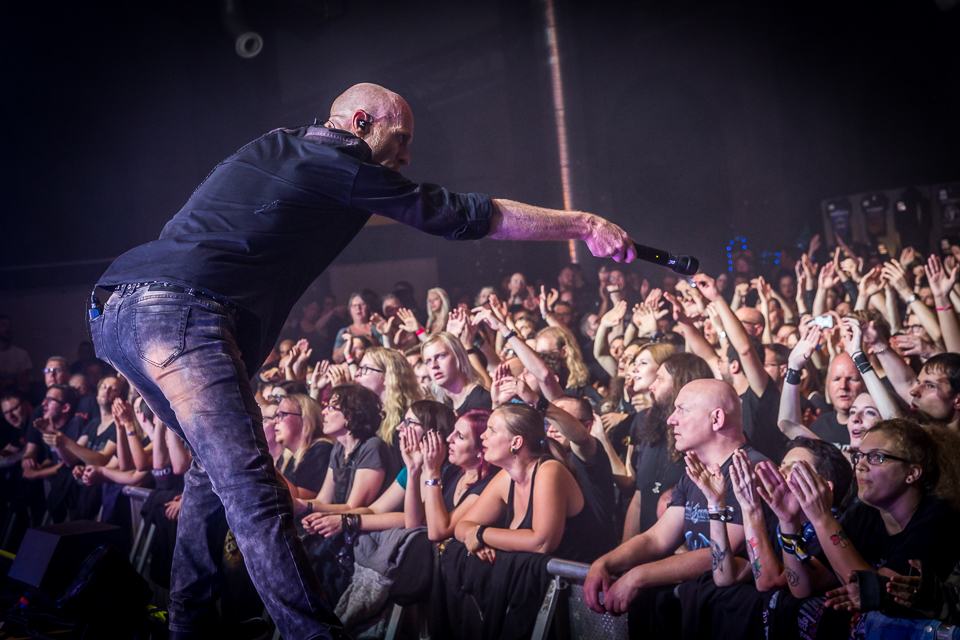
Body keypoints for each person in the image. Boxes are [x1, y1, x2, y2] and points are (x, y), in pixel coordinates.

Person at [90, 82, 636, 639]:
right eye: (400, 139)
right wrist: (584, 225)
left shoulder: (275, 144)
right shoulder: (341, 162)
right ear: (359, 124)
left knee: (212, 472)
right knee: (253, 489)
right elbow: (462, 215)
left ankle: (189, 626)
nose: (406, 156)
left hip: (117, 311)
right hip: (179, 311)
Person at [583, 379, 770, 637]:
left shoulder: (750, 471)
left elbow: (721, 554)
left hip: (733, 623)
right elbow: (656, 538)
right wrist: (604, 563)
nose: (671, 420)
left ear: (716, 419)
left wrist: (639, 576)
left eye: (682, 410)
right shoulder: (695, 473)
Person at [455, 403, 604, 563]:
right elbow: (461, 526)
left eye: (492, 430)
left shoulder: (549, 470)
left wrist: (481, 535)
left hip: (576, 577)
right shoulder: (506, 478)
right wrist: (478, 540)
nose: (483, 436)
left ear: (516, 442)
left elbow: (542, 543)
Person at [623, 352, 714, 540]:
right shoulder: (652, 429)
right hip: (645, 548)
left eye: (660, 379)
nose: (652, 386)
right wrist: (625, 549)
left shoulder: (703, 441)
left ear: (680, 383)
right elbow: (639, 499)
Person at [276, 394, 333, 499]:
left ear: (305, 418)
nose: (276, 421)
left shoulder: (321, 449)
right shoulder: (287, 457)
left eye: (283, 414)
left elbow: (302, 500)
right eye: (277, 415)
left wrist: (266, 465)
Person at [422, 332, 491, 415]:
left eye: (441, 356)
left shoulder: (480, 401)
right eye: (428, 361)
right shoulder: (446, 407)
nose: (433, 365)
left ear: (460, 357)